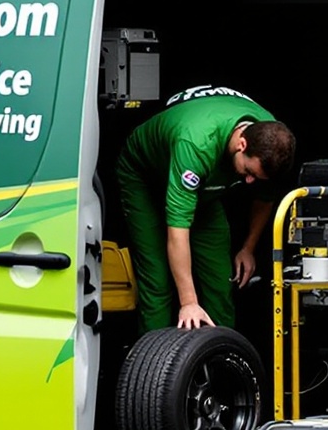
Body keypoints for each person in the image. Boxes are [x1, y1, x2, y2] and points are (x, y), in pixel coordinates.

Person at [116, 86, 298, 332]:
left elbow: (265, 198)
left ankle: (223, 361)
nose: (249, 182)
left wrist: (248, 249)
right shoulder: (196, 143)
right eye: (249, 172)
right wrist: (189, 302)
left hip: (204, 186)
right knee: (158, 280)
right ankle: (155, 365)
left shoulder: (272, 141)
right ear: (242, 144)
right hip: (146, 177)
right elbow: (178, 229)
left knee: (220, 279)